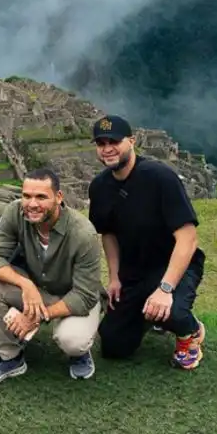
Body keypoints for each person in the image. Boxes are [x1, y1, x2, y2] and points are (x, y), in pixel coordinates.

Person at [87, 115, 207, 370]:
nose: (107, 148)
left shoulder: (160, 177)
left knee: (173, 312)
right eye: (101, 143)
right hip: (134, 273)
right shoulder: (99, 187)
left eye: (114, 141)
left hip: (172, 266)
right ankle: (151, 313)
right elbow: (107, 233)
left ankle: (190, 329)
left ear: (131, 141)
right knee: (113, 345)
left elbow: (187, 237)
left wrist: (165, 289)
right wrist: (115, 278)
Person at [0, 168, 104, 385]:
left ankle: (80, 354)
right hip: (35, 289)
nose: (32, 204)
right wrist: (25, 285)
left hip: (72, 296)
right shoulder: (15, 212)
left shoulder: (83, 233)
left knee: (73, 341)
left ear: (58, 197)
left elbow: (85, 296)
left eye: (41, 197)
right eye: (27, 196)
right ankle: (10, 357)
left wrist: (36, 316)